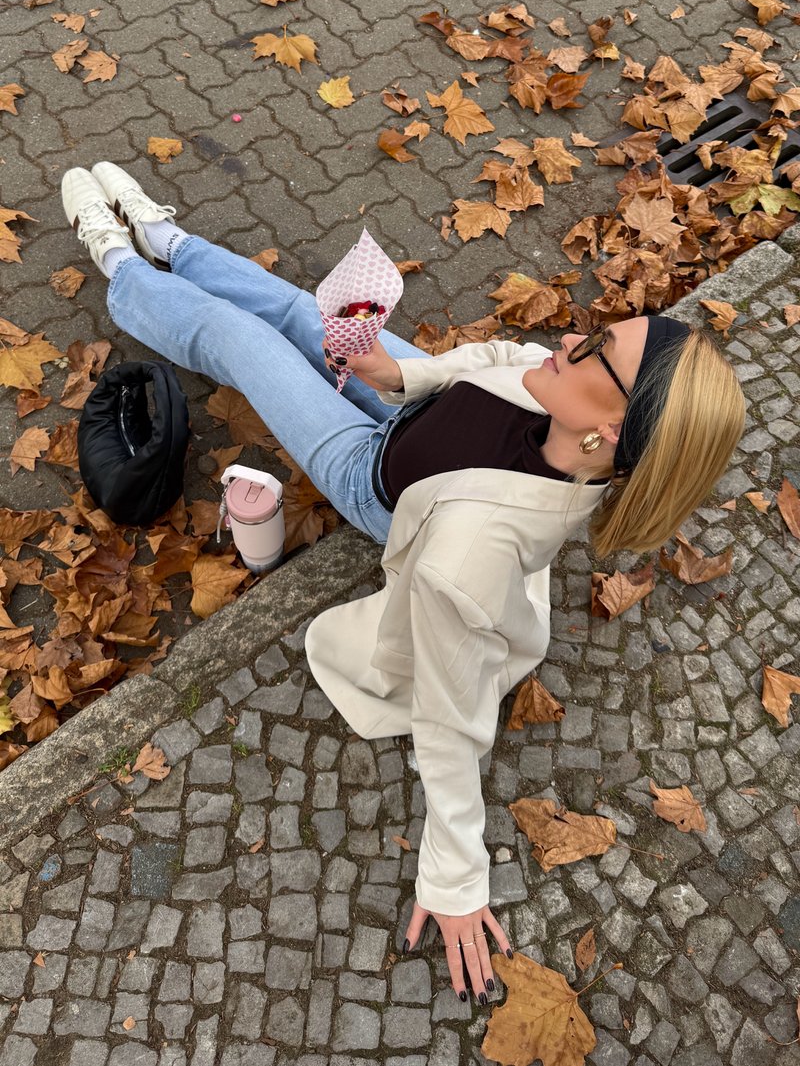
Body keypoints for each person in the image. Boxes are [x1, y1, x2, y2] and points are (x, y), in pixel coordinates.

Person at [63, 163, 746, 1007]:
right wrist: (400, 377)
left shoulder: (470, 559)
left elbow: (453, 721)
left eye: (596, 351)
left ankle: (120, 265)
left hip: (375, 478)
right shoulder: (567, 397)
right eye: (601, 329)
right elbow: (504, 356)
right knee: (296, 311)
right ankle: (169, 240)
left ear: (607, 429)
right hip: (419, 413)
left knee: (245, 344)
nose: (572, 336)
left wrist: (457, 877)